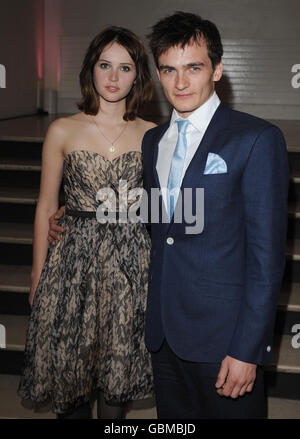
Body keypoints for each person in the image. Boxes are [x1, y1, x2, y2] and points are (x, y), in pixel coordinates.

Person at [140, 11, 289, 418]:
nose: (181, 82)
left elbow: (267, 257)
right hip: (164, 336)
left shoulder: (256, 139)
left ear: (218, 70)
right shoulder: (153, 142)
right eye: (169, 69)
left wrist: (247, 348)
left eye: (194, 68)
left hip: (225, 340)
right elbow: (163, 228)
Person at [18, 26, 156, 419]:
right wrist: (36, 275)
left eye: (125, 68)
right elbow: (46, 203)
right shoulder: (62, 129)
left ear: (138, 75)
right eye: (105, 65)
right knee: (72, 374)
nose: (113, 78)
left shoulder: (153, 135)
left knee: (116, 378)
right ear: (90, 69)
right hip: (72, 266)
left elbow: (162, 206)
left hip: (130, 268)